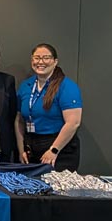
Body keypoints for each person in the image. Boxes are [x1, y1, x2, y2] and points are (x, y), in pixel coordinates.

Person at [16, 43, 82, 171]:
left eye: (46, 58)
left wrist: (54, 150)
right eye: (37, 58)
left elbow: (73, 123)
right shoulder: (25, 86)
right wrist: (21, 149)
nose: (40, 62)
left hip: (59, 150)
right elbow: (19, 120)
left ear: (55, 62)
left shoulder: (66, 86)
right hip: (31, 148)